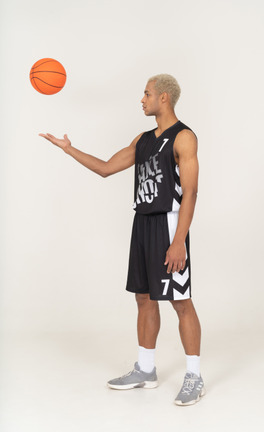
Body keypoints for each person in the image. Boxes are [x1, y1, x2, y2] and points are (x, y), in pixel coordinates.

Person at [39, 74, 205, 406]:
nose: (141, 100)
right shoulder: (142, 140)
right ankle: (145, 369)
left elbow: (191, 193)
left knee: (180, 302)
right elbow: (104, 168)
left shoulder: (183, 138)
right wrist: (69, 149)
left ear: (164, 99)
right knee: (143, 298)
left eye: (146, 94)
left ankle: (194, 376)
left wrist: (179, 242)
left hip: (169, 225)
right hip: (142, 224)